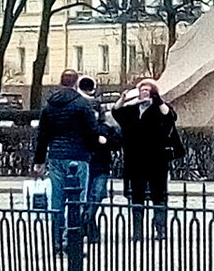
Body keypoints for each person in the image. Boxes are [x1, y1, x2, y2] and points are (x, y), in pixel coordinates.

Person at [33, 69, 98, 255]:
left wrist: (39, 161)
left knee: (57, 201)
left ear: (60, 82)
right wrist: (92, 149)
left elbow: (42, 135)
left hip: (56, 156)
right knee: (76, 200)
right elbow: (91, 132)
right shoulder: (82, 104)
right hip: (78, 157)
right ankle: (72, 242)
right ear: (76, 83)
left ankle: (56, 241)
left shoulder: (50, 106)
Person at [112, 78, 178, 241]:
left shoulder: (159, 109)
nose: (144, 93)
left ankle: (160, 228)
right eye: (142, 90)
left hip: (157, 160)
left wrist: (158, 99)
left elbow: (170, 116)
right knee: (136, 197)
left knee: (159, 195)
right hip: (135, 160)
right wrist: (123, 99)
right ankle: (137, 231)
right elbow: (116, 113)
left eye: (148, 90)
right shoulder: (132, 110)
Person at [85, 108, 122, 244]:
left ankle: (87, 219)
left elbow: (117, 144)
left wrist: (106, 141)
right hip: (86, 166)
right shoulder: (83, 128)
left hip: (101, 167)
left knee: (97, 194)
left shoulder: (105, 128)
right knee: (87, 197)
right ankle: (90, 229)